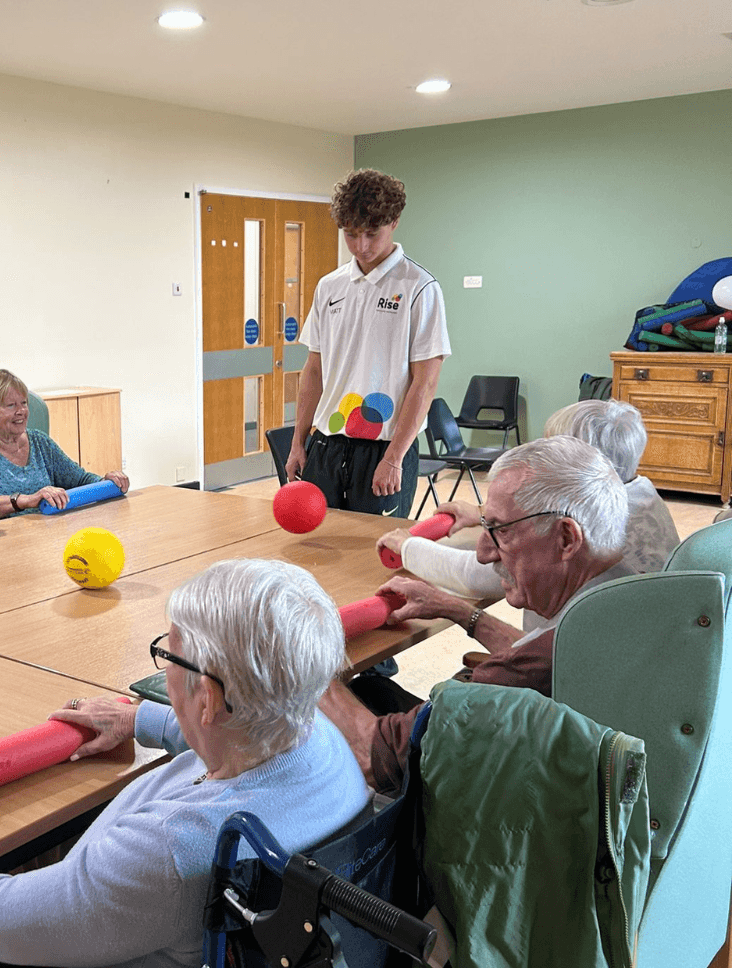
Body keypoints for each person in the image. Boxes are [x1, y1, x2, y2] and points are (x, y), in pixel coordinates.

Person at [0, 559, 368, 968]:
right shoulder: (317, 737)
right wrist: (140, 718)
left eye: (169, 655)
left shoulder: (168, 849)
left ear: (208, 700)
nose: (165, 668)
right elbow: (239, 729)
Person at [320, 436, 631, 791]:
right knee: (372, 688)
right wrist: (455, 609)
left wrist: (301, 660)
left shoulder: (540, 662)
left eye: (501, 531)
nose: (484, 553)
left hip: (496, 798)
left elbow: (376, 758)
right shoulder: (625, 595)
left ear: (566, 539)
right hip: (545, 767)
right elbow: (537, 656)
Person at [376, 399, 679, 636]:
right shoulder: (642, 497)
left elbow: (477, 575)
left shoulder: (596, 524)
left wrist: (407, 547)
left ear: (584, 464)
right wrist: (483, 515)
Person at [285, 169, 450, 519]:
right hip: (326, 445)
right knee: (319, 542)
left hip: (384, 449)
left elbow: (425, 382)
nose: (361, 246)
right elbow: (313, 370)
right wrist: (298, 442)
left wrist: (394, 457)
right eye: (350, 233)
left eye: (372, 233)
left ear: (394, 222)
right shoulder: (329, 287)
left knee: (373, 548)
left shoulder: (420, 287)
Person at [0, 369, 129, 516]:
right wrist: (27, 500)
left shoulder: (39, 441)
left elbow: (80, 479)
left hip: (49, 532)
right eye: (11, 405)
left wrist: (106, 481)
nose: (21, 411)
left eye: (24, 403)